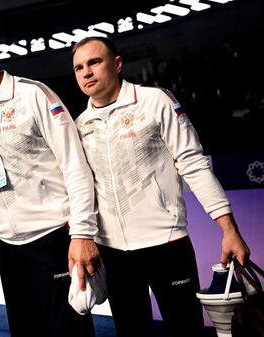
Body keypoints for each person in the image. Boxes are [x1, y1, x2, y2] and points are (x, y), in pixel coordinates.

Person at [71, 36, 251, 337]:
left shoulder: (156, 101)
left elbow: (193, 163)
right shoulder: (79, 124)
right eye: (78, 67)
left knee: (186, 332)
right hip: (112, 252)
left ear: (117, 64)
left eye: (94, 62)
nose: (86, 72)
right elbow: (80, 188)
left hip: (167, 245)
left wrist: (228, 229)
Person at [0, 29, 99, 337]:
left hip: (52, 240)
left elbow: (75, 165)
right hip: (7, 249)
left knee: (69, 332)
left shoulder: (33, 94)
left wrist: (82, 233)